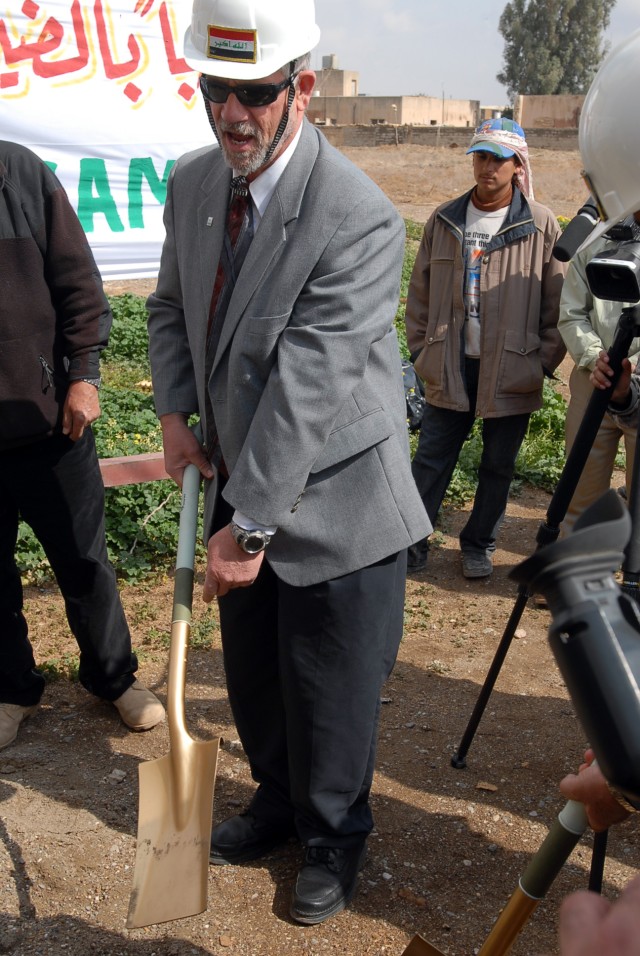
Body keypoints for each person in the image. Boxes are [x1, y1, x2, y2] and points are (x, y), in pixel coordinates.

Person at [146, 0, 429, 927]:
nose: (232, 113)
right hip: (243, 484)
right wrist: (176, 409)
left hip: (339, 499)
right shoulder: (193, 185)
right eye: (214, 90)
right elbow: (167, 310)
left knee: (328, 683)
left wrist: (250, 521)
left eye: (255, 94)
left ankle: (334, 837)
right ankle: (276, 800)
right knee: (257, 672)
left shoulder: (357, 217)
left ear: (301, 88)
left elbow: (310, 382)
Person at [0, 140, 165, 751]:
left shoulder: (19, 173)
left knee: (83, 562)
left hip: (50, 424)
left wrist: (85, 376)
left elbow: (78, 284)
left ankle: (114, 679)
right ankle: (11, 690)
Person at [405, 118, 566, 577]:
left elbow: (555, 302)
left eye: (498, 158)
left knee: (498, 465)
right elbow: (419, 293)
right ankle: (413, 544)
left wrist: (540, 363)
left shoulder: (540, 224)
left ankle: (479, 544)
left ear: (518, 165)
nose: (487, 167)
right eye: (480, 156)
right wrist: (422, 351)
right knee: (431, 459)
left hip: (512, 367)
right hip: (450, 361)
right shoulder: (445, 218)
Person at [557, 211, 640, 537]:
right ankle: (576, 576)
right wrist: (598, 359)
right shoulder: (595, 238)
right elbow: (572, 312)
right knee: (578, 494)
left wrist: (632, 369)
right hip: (595, 379)